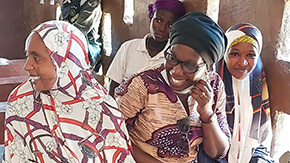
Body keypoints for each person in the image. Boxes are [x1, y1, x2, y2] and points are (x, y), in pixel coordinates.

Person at [3, 20, 135, 163]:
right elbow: (15, 156)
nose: (27, 66)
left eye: (36, 58)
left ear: (65, 62)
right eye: (27, 55)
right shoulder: (21, 101)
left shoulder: (103, 109)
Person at [115, 12, 231, 163]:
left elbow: (218, 152)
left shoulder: (213, 87)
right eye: (172, 58)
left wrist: (207, 114)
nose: (176, 71)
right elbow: (114, 135)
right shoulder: (143, 83)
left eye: (190, 65)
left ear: (207, 68)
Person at [216, 23, 273, 163]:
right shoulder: (213, 84)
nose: (243, 62)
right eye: (235, 54)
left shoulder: (258, 84)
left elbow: (260, 142)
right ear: (224, 54)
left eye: (251, 55)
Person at [106, 0, 185, 97]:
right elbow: (113, 87)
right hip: (122, 109)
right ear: (151, 17)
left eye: (170, 25)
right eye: (158, 20)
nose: (162, 28)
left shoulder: (175, 58)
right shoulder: (128, 48)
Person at [60, 0, 103, 73]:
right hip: (68, 43)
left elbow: (78, 32)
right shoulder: (67, 3)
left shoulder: (92, 4)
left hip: (88, 49)